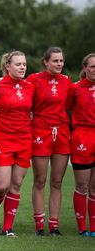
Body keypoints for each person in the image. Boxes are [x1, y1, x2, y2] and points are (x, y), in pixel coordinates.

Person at [0, 51, 34, 237]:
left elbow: (35, 109)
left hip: (24, 139)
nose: (22, 67)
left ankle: (8, 228)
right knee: (2, 185)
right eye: (18, 64)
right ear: (7, 66)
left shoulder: (30, 86)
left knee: (16, 185)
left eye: (24, 64)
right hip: (2, 138)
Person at [26, 47, 71, 236]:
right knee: (40, 180)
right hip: (40, 131)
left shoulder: (67, 82)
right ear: (46, 62)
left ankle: (54, 226)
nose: (59, 64)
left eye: (61, 61)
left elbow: (72, 105)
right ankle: (39, 226)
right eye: (55, 61)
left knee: (57, 181)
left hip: (61, 132)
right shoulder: (34, 79)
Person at [70, 53, 95, 237]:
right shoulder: (75, 88)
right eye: (92, 66)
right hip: (82, 137)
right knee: (82, 186)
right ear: (85, 68)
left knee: (94, 188)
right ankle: (82, 227)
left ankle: (93, 227)